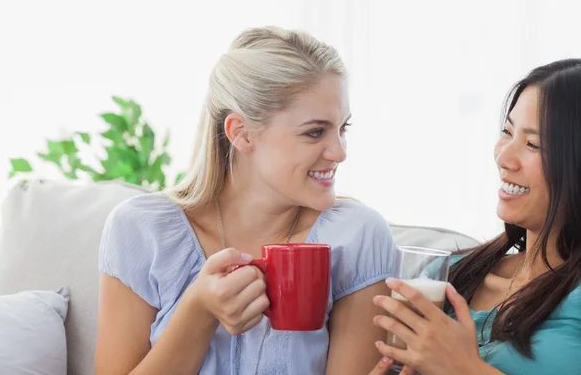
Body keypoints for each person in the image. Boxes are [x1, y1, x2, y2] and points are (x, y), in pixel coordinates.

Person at [95, 26, 398, 375]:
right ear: (241, 134)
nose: (339, 152)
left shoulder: (357, 236)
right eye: (315, 132)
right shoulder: (141, 230)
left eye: (342, 128)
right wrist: (199, 311)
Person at [369, 58, 581, 375]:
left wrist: (464, 368)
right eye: (507, 132)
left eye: (533, 144)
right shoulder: (449, 273)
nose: (504, 157)